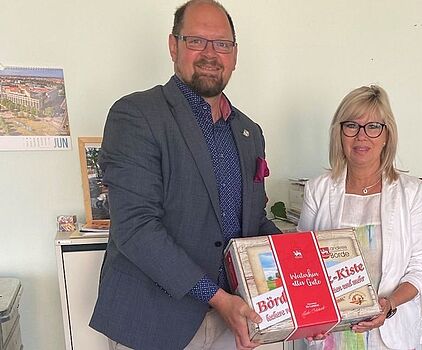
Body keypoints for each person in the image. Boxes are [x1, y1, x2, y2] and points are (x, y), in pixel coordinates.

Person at [89, 1, 280, 349]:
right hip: (154, 321)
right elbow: (137, 229)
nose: (210, 54)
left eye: (222, 44)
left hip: (231, 321)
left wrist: (304, 281)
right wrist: (219, 298)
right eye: (196, 41)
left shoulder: (249, 131)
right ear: (173, 46)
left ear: (234, 55)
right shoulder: (135, 115)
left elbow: (254, 221)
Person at [297, 85, 422, 349]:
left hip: (391, 335)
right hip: (333, 336)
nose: (362, 136)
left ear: (387, 135)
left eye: (373, 127)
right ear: (340, 133)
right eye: (352, 126)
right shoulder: (318, 189)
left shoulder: (412, 192)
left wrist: (389, 304)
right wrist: (310, 318)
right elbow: (305, 267)